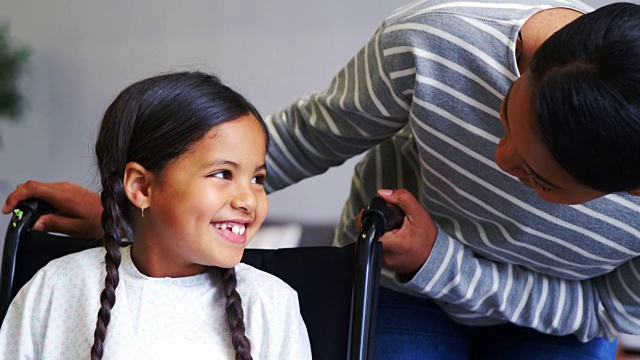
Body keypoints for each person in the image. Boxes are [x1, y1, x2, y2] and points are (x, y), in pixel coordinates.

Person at [4, 0, 640, 359]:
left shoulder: (269, 312)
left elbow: (606, 311)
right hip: (398, 291)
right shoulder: (432, 44)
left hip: (560, 323)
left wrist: (441, 262)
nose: (498, 158)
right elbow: (310, 136)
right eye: (504, 117)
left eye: (536, 179)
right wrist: (137, 218)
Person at [0, 72, 312, 360]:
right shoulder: (56, 288)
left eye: (258, 179)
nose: (248, 200)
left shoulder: (272, 305)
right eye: (222, 173)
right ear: (141, 186)